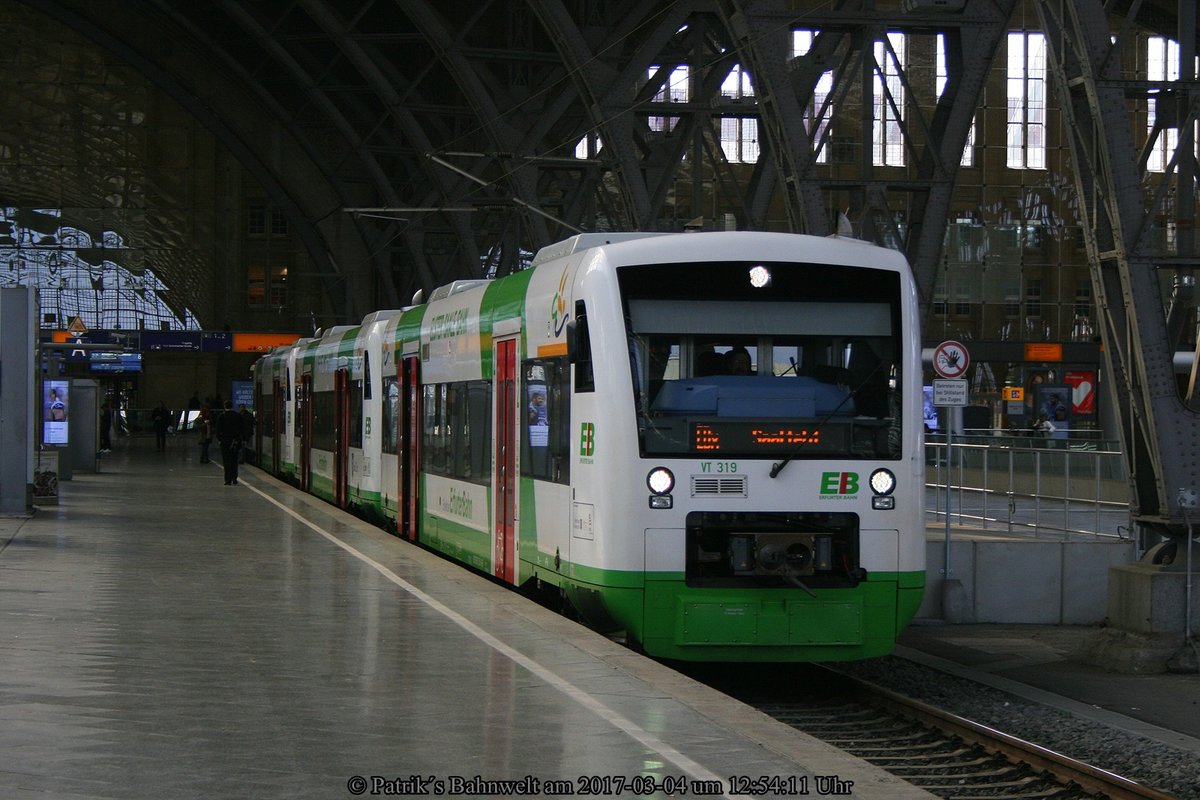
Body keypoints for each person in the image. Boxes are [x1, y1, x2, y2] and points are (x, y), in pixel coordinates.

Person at [216, 401, 242, 485]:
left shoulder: (221, 416)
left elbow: (217, 430)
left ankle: (227, 480)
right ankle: (234, 478)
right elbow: (241, 429)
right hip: (235, 441)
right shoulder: (238, 416)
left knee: (226, 461)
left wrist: (220, 439)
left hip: (225, 441)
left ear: (224, 406)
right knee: (234, 460)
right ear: (232, 406)